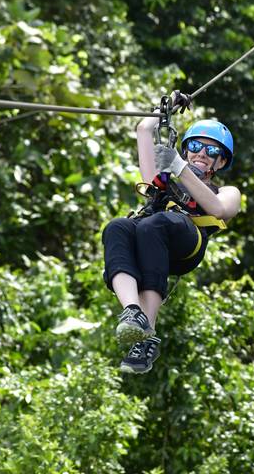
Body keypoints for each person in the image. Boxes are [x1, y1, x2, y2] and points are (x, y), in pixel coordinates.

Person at [102, 105, 241, 375]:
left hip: (188, 241)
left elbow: (219, 209)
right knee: (117, 227)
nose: (202, 154)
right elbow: (143, 133)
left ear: (220, 162)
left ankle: (149, 325)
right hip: (152, 235)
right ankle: (133, 312)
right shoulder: (166, 178)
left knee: (156, 224)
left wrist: (179, 167)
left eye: (211, 151)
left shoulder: (227, 191)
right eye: (197, 147)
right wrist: (157, 114)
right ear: (187, 148)